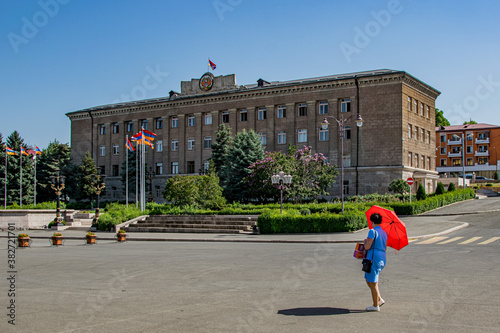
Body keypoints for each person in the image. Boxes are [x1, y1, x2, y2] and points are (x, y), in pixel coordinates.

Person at [364, 213, 388, 312]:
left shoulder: (372, 231)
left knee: (373, 282)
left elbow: (367, 247)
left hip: (373, 258)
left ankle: (375, 305)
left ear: (372, 221)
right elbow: (385, 247)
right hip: (382, 257)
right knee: (368, 279)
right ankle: (379, 299)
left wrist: (365, 241)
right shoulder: (384, 233)